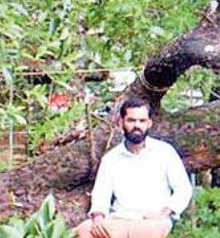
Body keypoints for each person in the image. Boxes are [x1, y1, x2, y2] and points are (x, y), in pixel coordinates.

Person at [75, 97, 193, 238]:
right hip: (120, 218)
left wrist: (164, 212)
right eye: (131, 120)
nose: (137, 125)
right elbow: (101, 194)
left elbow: (183, 189)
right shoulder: (111, 159)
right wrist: (98, 217)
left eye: (142, 121)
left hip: (152, 220)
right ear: (121, 122)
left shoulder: (165, 152)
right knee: (86, 230)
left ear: (149, 123)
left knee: (149, 232)